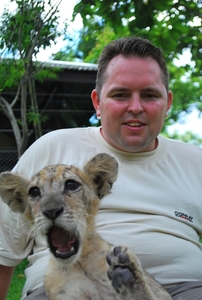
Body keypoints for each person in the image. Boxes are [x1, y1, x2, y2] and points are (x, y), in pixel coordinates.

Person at [0, 36, 202, 300]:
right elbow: (3, 254)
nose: (136, 107)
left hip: (183, 288)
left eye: (150, 95)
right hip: (66, 288)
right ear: (97, 101)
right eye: (120, 94)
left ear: (168, 103)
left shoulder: (195, 161)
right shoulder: (50, 147)